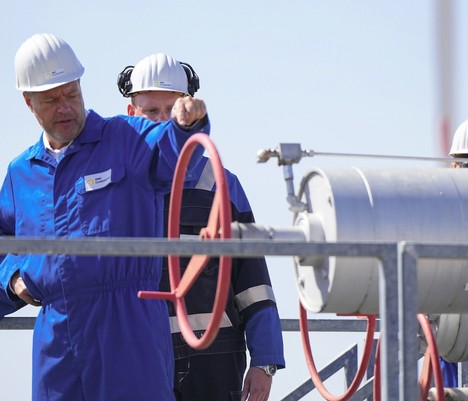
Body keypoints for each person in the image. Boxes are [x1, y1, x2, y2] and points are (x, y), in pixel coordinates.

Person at [0, 33, 210, 401]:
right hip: (56, 345)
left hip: (129, 332)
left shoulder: (126, 138)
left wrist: (186, 126)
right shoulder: (22, 173)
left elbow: (174, 157)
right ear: (28, 103)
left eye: (71, 94)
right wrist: (12, 278)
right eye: (51, 100)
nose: (65, 107)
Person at [117, 54, 285, 401]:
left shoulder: (221, 184)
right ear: (132, 114)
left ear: (189, 110)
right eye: (152, 112)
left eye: (172, 109)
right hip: (135, 359)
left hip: (213, 363)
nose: (164, 122)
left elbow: (252, 280)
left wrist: (265, 361)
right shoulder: (113, 186)